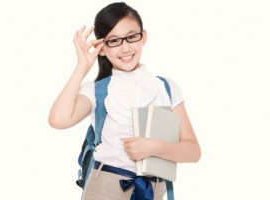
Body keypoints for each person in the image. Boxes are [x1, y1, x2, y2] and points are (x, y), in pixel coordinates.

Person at [48, 2, 201, 200]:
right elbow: (58, 120)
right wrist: (82, 66)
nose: (125, 47)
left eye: (131, 37)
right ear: (102, 48)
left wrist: (153, 148)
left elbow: (193, 151)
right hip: (104, 187)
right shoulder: (97, 90)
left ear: (143, 37)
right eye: (114, 41)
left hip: (153, 190)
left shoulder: (166, 87)